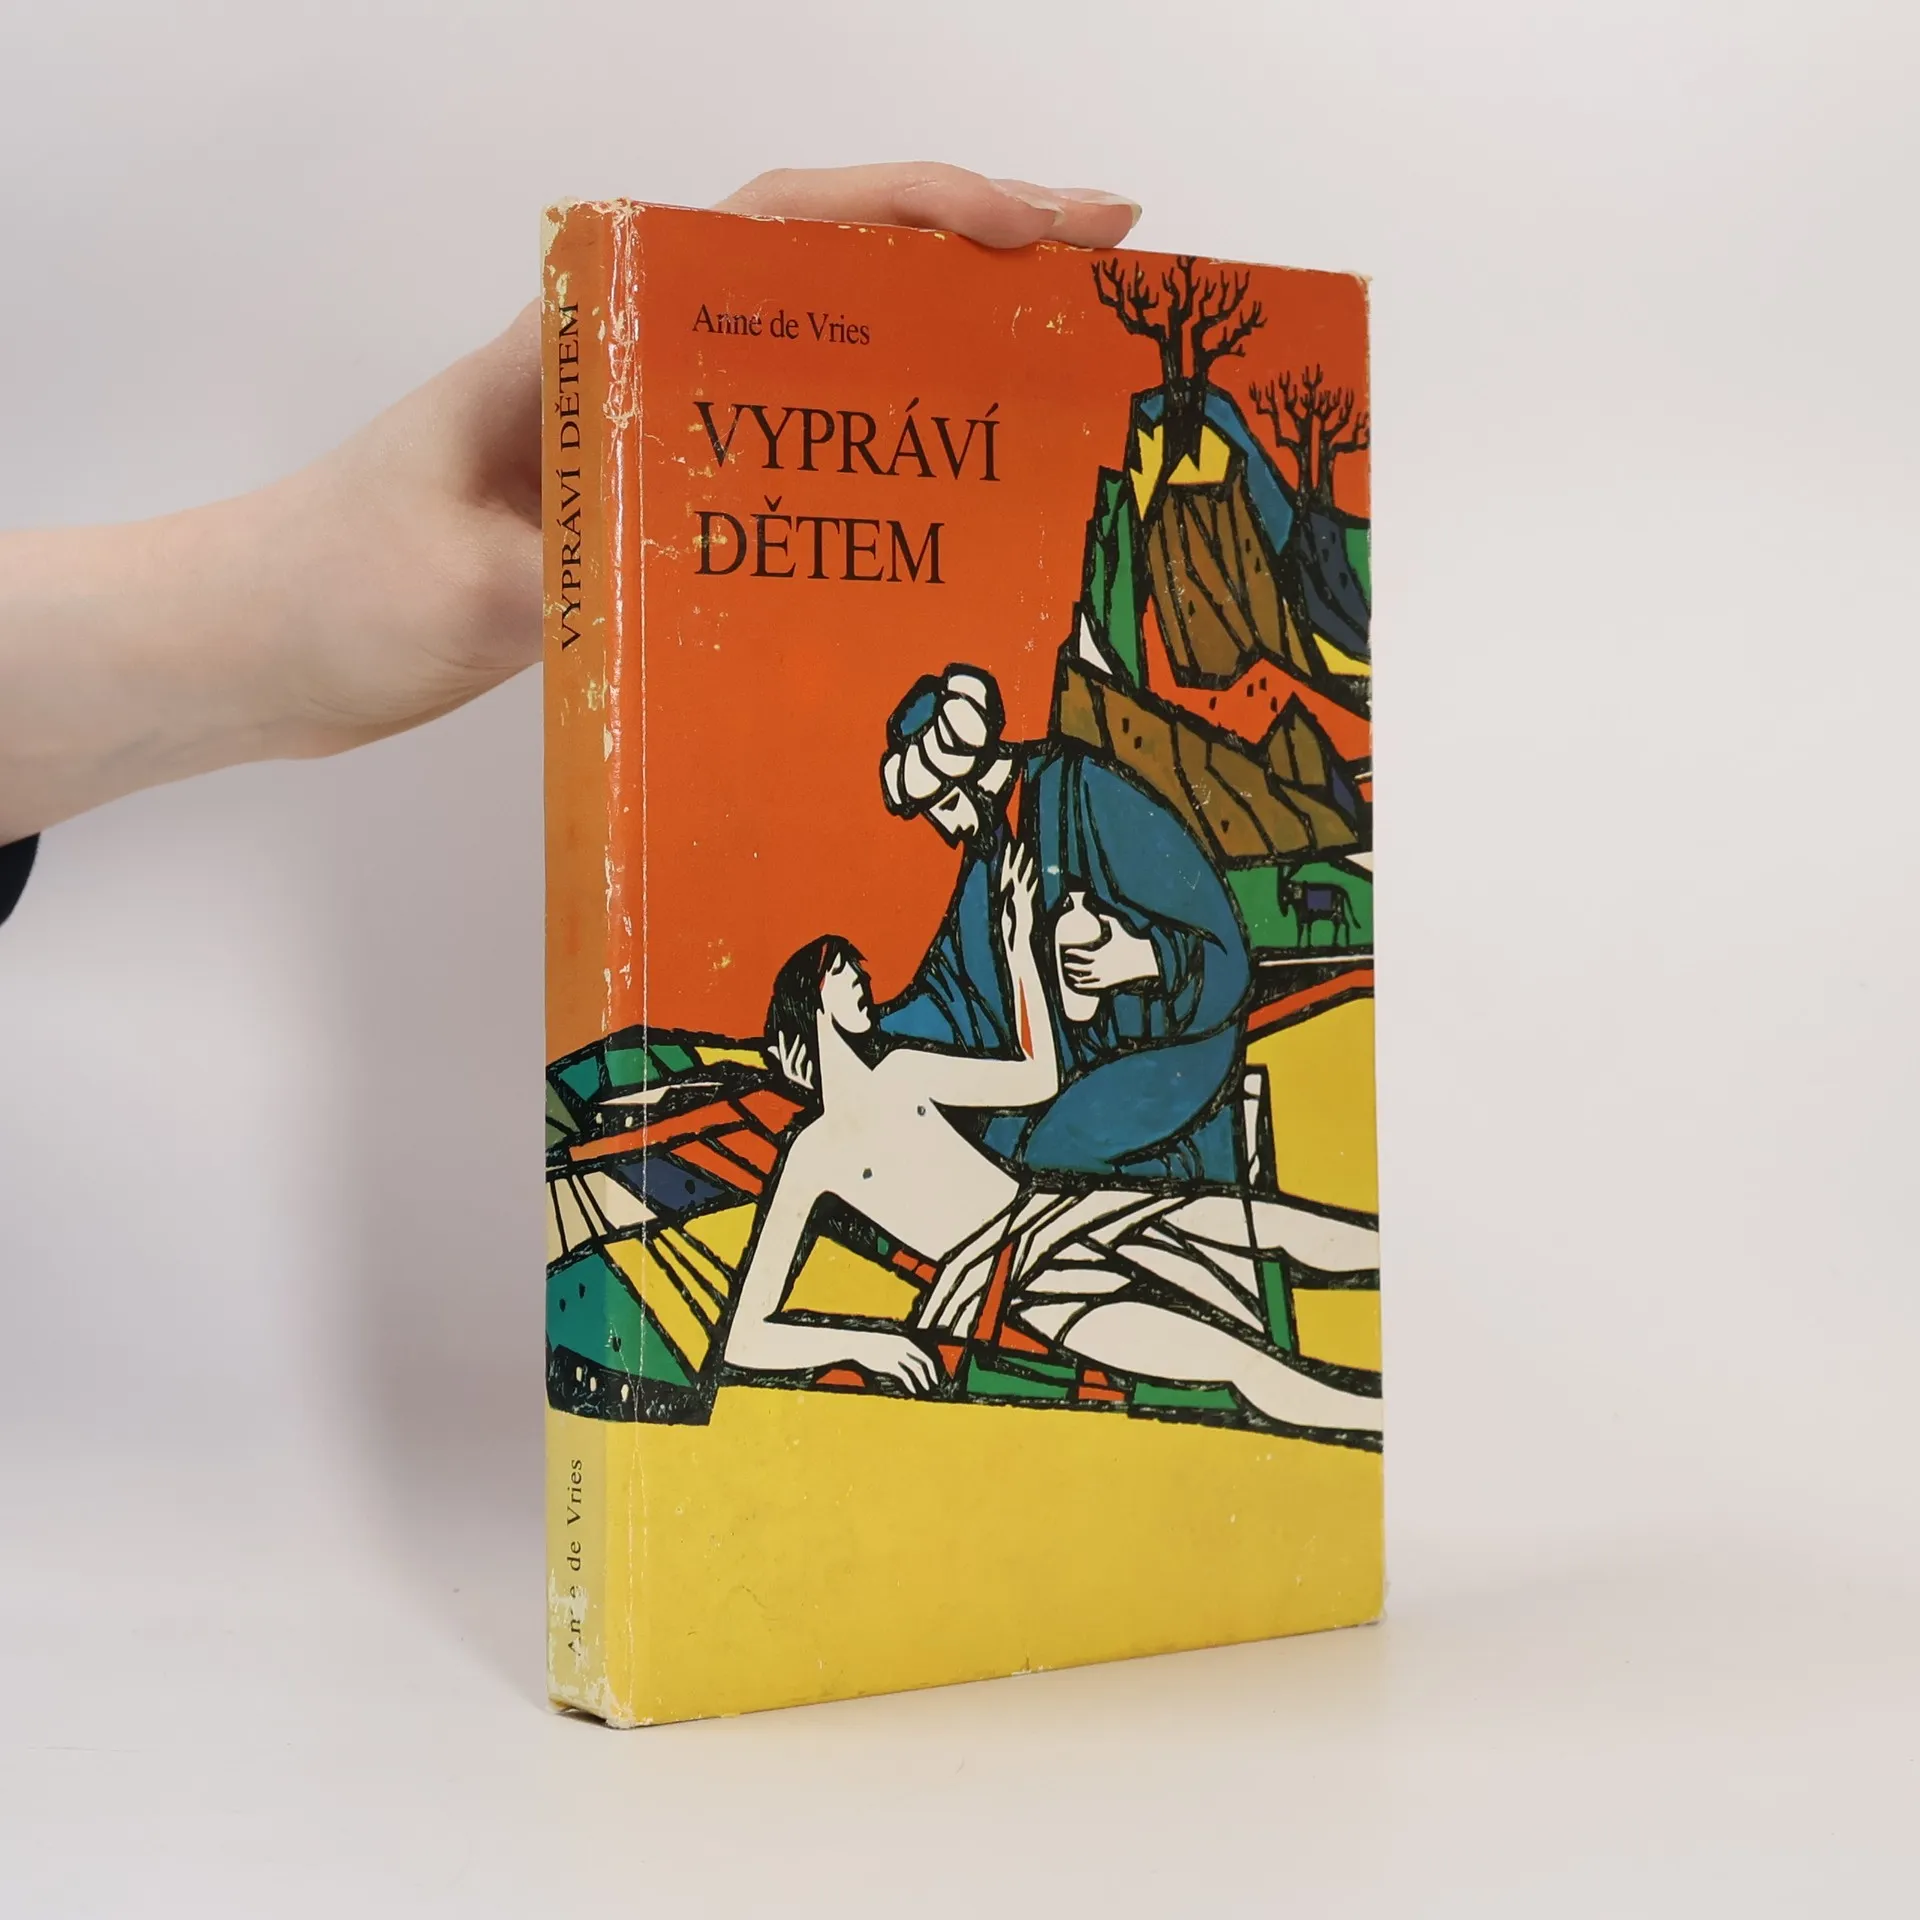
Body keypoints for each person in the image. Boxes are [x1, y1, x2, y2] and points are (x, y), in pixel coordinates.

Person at [0, 166, 1144, 914]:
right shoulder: (1007, 853)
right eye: (938, 799)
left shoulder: (1069, 807)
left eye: (944, 795)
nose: (946, 818)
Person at [724, 844, 1381, 1438]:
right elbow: (745, 1338)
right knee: (1230, 1361)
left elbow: (1035, 1079)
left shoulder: (904, 1070)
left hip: (1053, 1208)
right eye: (842, 970)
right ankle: (1383, 1418)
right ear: (812, 1000)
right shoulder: (813, 1154)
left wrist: (1017, 948)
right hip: (1013, 1277)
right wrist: (868, 1343)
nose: (860, 977)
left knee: (1258, 1222)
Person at [878, 664, 1254, 1185]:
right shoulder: (987, 859)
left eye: (944, 802)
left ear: (978, 769)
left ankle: (1177, 1178)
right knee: (987, 1151)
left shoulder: (1087, 790)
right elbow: (953, 994)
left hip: (1174, 1053)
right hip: (1073, 1072)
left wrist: (1142, 958)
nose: (946, 828)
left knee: (1055, 1148)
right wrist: (860, 1033)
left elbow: (1227, 950)